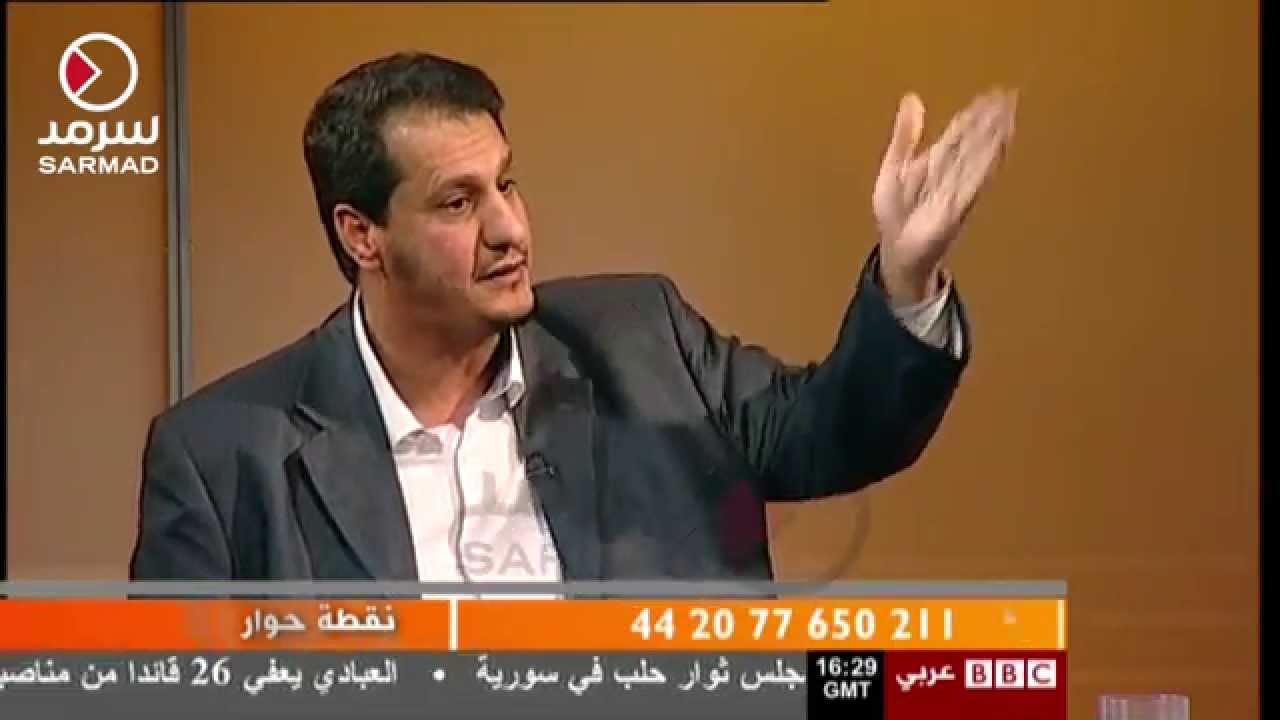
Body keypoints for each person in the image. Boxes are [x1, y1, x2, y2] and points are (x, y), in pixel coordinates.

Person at [129, 52, 1015, 583]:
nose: (510, 228)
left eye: (506, 183)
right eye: (457, 203)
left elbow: (838, 432)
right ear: (362, 234)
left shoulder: (641, 341)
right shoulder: (222, 459)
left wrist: (907, 273)